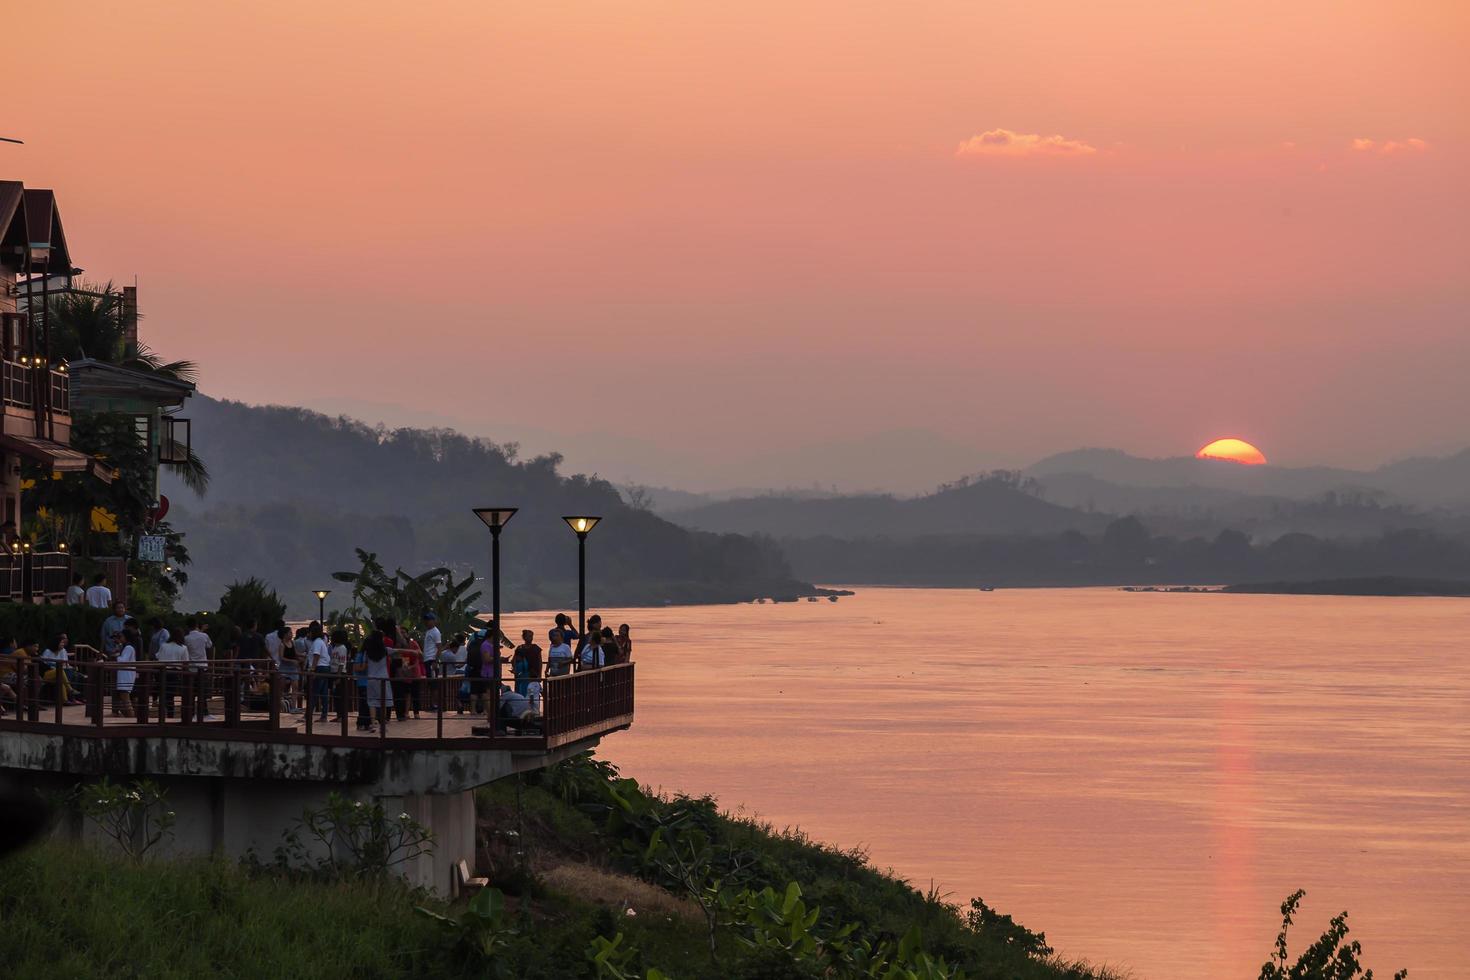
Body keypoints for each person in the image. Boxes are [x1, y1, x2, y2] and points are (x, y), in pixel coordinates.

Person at [362, 618, 394, 733]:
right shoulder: (385, 650)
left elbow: (365, 665)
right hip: (383, 678)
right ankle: (382, 724)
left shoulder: (368, 652)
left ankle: (373, 723)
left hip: (371, 679)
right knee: (384, 701)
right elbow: (400, 650)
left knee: (372, 701)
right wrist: (415, 652)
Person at [183, 619, 215, 721]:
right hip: (203, 667)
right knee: (202, 692)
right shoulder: (204, 636)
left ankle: (191, 713)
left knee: (192, 692)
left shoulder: (186, 638)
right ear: (197, 625)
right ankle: (204, 712)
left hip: (191, 668)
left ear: (188, 627)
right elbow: (209, 645)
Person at [155, 627, 190, 719]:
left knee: (163, 694)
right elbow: (185, 663)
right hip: (174, 672)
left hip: (162, 671)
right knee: (171, 695)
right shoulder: (183, 648)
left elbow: (158, 656)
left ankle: (162, 714)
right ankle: (170, 715)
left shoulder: (164, 645)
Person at [40, 633, 78, 704]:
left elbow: (64, 662)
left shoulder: (62, 651)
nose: (63, 644)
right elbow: (43, 664)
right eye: (61, 643)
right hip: (46, 673)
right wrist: (55, 664)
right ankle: (70, 691)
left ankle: (65, 700)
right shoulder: (48, 651)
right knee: (61, 672)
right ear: (56, 643)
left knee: (63, 678)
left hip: (57, 672)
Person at [113, 626, 139, 717]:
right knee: (123, 700)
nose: (121, 638)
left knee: (125, 699)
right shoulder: (127, 647)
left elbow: (123, 661)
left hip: (126, 677)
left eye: (122, 636)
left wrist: (116, 655)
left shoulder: (128, 648)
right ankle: (129, 717)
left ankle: (131, 718)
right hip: (125, 676)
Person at [512, 629, 542, 696]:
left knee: (533, 693)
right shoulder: (519, 648)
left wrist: (540, 674)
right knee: (521, 692)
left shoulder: (536, 648)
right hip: (522, 674)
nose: (530, 638)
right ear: (524, 637)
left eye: (531, 636)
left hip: (533, 674)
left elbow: (540, 661)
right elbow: (513, 660)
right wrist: (515, 671)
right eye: (528, 636)